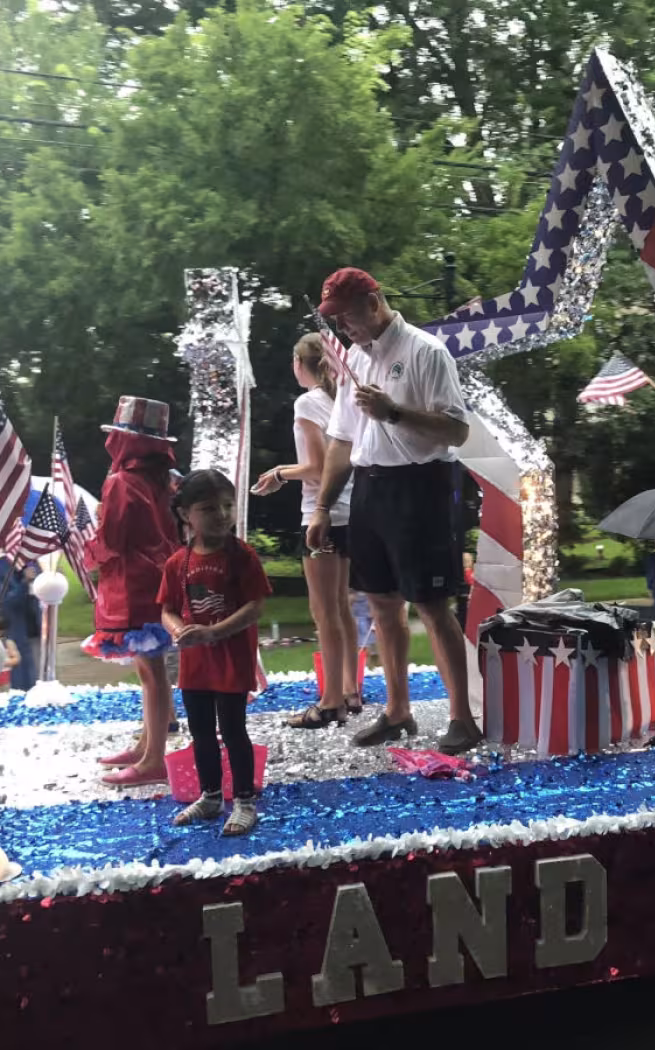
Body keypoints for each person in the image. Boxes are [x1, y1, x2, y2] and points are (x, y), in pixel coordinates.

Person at [307, 267, 481, 755]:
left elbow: (456, 431)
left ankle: (461, 717)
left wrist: (394, 413)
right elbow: (342, 440)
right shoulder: (354, 361)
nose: (344, 328)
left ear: (373, 301)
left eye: (347, 316)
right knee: (382, 603)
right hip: (369, 487)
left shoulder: (426, 351)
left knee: (431, 603)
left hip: (420, 487)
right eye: (335, 320)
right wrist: (323, 506)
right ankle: (397, 711)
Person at [253, 333, 364, 728]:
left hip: (322, 515)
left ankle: (331, 700)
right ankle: (351, 689)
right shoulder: (343, 399)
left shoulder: (308, 403)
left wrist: (280, 473)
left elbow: (317, 469)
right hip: (352, 513)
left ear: (302, 364)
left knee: (324, 612)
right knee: (343, 608)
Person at [159, 470, 270, 836]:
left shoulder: (242, 556)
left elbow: (255, 606)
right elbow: (167, 609)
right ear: (185, 515)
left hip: (231, 661)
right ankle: (209, 796)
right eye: (209, 508)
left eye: (227, 506)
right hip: (195, 665)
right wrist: (181, 632)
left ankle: (243, 800)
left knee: (234, 730)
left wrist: (213, 632)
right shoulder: (178, 562)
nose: (222, 515)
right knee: (201, 731)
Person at [84, 396, 182, 787]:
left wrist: (88, 545)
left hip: (132, 584)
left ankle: (153, 757)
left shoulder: (121, 481)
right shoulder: (160, 479)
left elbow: (113, 540)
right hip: (157, 576)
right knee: (150, 669)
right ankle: (147, 745)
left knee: (151, 673)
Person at [0, 555, 41, 691]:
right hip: (16, 631)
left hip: (37, 629)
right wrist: (24, 583)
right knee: (21, 681)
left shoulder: (33, 563)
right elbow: (5, 602)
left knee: (40, 677)